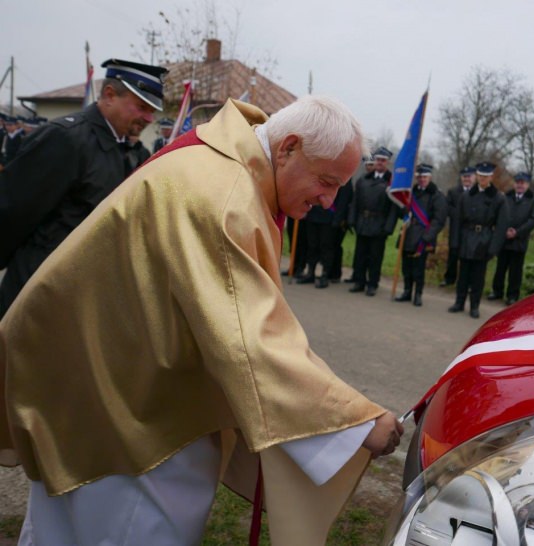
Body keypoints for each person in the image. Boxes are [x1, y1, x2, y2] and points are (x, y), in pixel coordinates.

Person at [0, 96, 403, 545]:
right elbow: (247, 339)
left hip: (93, 386)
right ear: (288, 148)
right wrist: (357, 421)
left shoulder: (224, 163)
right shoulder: (223, 195)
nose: (329, 201)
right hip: (130, 420)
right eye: (327, 182)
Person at [0, 58, 168, 318]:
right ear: (110, 95)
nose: (149, 118)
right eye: (142, 107)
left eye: (152, 111)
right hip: (40, 289)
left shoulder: (128, 149)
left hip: (85, 292)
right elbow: (15, 210)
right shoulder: (66, 138)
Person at [448, 161, 509, 318]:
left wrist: (493, 248)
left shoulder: (498, 198)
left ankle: (474, 305)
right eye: (480, 176)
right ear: (476, 176)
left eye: (486, 176)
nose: (482, 179)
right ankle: (459, 302)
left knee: (478, 276)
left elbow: (501, 227)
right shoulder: (466, 196)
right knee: (463, 274)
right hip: (466, 237)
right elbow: (457, 221)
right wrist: (455, 242)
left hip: (484, 239)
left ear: (491, 177)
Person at [394, 163, 447, 306]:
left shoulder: (437, 195)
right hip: (408, 233)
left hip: (423, 238)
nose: (422, 179)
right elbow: (402, 212)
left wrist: (427, 237)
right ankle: (406, 291)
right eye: (419, 177)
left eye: (425, 176)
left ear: (430, 177)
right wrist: (404, 208)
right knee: (407, 267)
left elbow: (439, 220)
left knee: (418, 269)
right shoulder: (411, 193)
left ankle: (418, 294)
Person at [348, 146, 398, 296]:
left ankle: (372, 284)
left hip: (379, 225)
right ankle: (359, 281)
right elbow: (355, 203)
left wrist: (388, 228)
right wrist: (352, 220)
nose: (380, 163)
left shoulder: (392, 183)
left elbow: (394, 209)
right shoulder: (363, 180)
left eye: (383, 160)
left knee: (375, 257)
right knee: (360, 255)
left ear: (388, 163)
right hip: (363, 223)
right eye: (378, 160)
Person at [488, 171, 534, 304]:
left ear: (528, 184)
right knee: (500, 267)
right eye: (518, 182)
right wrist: (503, 230)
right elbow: (498, 213)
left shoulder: (533, 199)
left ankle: (512, 295)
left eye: (523, 183)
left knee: (515, 270)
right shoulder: (507, 196)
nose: (520, 185)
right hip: (504, 238)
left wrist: (517, 232)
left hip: (519, 240)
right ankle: (497, 291)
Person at [440, 166, 475, 287]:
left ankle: (468, 281)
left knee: (469, 256)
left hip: (471, 229)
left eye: (469, 176)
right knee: (453, 254)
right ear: (461, 178)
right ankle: (449, 278)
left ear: (474, 177)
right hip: (456, 227)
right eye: (464, 177)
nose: (467, 179)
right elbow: (447, 207)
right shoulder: (453, 192)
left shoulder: (476, 192)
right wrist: (458, 213)